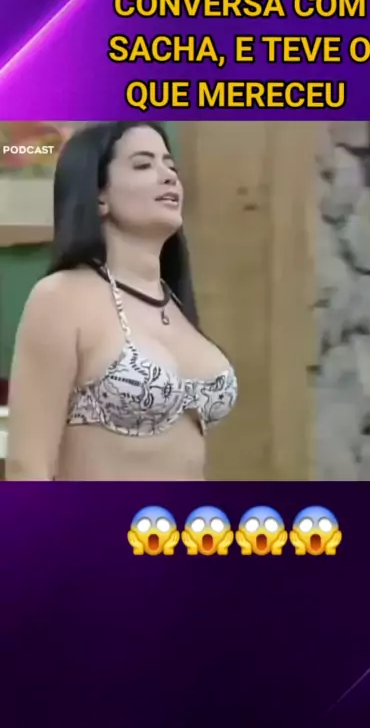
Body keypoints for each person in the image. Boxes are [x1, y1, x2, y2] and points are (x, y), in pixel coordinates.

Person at [6, 122, 237, 481]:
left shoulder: (173, 302)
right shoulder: (61, 297)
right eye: (143, 165)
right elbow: (27, 466)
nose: (168, 176)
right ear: (99, 196)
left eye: (170, 166)